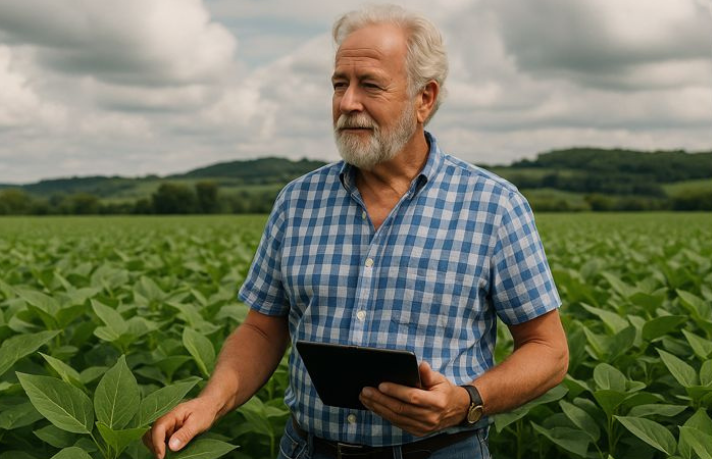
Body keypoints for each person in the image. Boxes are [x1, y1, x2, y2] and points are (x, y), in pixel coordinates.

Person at [144, 4, 568, 458]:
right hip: (308, 448)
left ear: (423, 98)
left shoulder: (493, 205)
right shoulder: (297, 201)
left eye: (369, 85)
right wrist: (211, 402)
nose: (348, 103)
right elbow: (262, 331)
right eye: (339, 84)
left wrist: (467, 402)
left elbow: (548, 350)